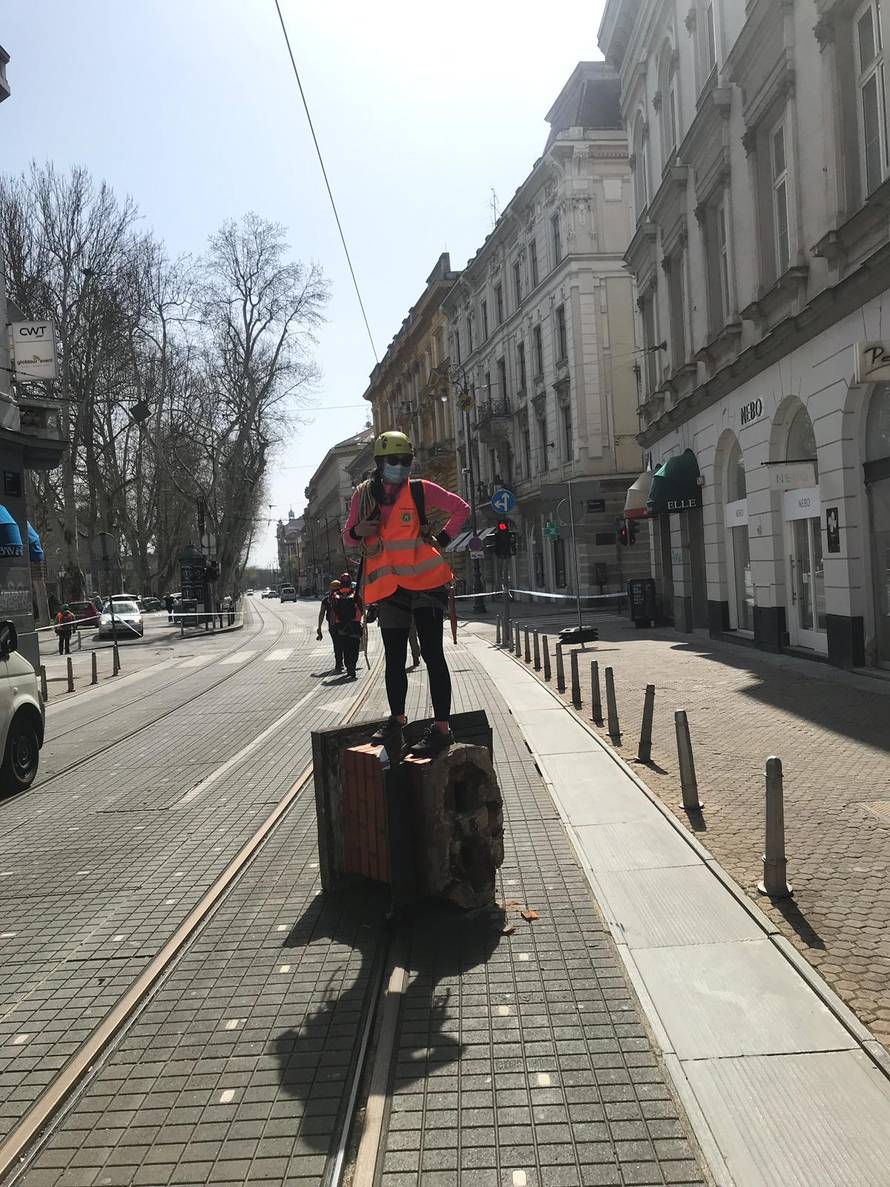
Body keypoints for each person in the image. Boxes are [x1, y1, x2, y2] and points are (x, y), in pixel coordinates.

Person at [343, 430, 469, 758]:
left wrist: (442, 540)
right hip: (390, 589)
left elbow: (461, 509)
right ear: (379, 462)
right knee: (395, 657)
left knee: (433, 654)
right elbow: (348, 537)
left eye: (405, 460)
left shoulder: (419, 489)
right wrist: (358, 530)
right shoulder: (363, 495)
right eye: (393, 460)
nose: (400, 465)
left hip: (426, 584)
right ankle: (397, 719)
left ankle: (442, 728)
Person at [331, 574, 363, 680]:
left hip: (341, 626)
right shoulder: (355, 594)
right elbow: (361, 609)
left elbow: (333, 611)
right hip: (354, 626)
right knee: (354, 647)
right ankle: (352, 665)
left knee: (345, 648)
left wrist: (334, 625)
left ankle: (348, 664)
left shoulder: (335, 595)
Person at [317, 580, 345, 673]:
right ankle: (348, 663)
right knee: (344, 643)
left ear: (330, 588)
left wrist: (319, 627)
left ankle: (339, 664)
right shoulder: (344, 597)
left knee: (336, 644)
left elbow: (321, 613)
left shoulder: (326, 600)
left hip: (332, 625)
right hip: (343, 624)